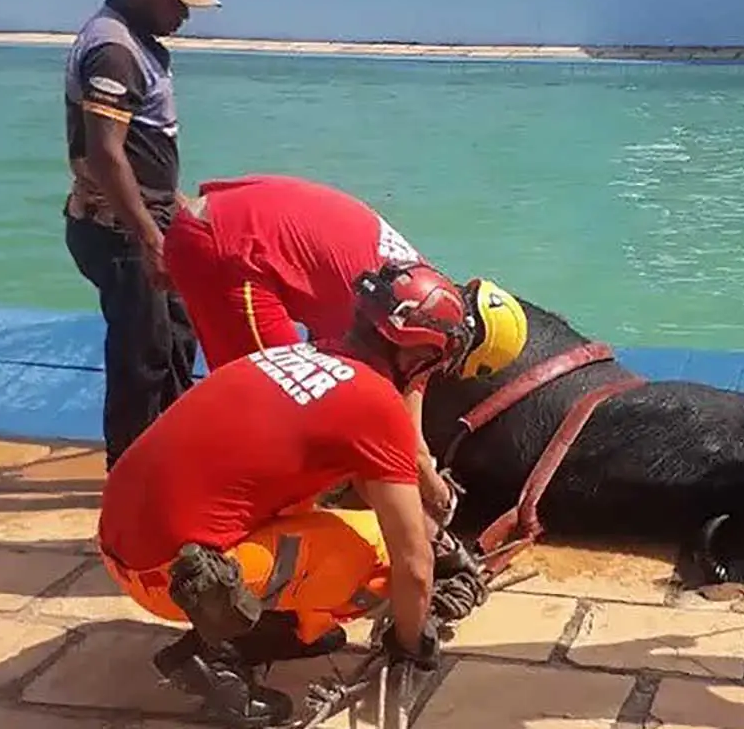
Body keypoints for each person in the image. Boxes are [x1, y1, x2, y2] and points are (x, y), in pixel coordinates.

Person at [96, 261, 503, 727]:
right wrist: (414, 644)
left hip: (118, 546)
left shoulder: (284, 356)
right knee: (382, 563)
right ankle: (218, 655)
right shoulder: (377, 404)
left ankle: (282, 627)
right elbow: (413, 563)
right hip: (176, 578)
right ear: (416, 355)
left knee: (306, 505)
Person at [162, 172, 529, 527]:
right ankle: (241, 534)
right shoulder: (425, 325)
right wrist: (442, 501)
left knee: (299, 407)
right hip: (233, 252)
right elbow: (407, 450)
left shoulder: (417, 281)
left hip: (225, 214)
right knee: (281, 411)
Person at [62, 0, 220, 471]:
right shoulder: (114, 51)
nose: (185, 14)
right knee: (142, 356)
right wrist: (149, 237)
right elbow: (105, 156)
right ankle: (131, 477)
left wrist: (177, 208)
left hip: (148, 223)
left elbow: (143, 148)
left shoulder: (140, 42)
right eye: (176, 0)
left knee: (177, 339)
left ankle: (171, 461)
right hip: (119, 232)